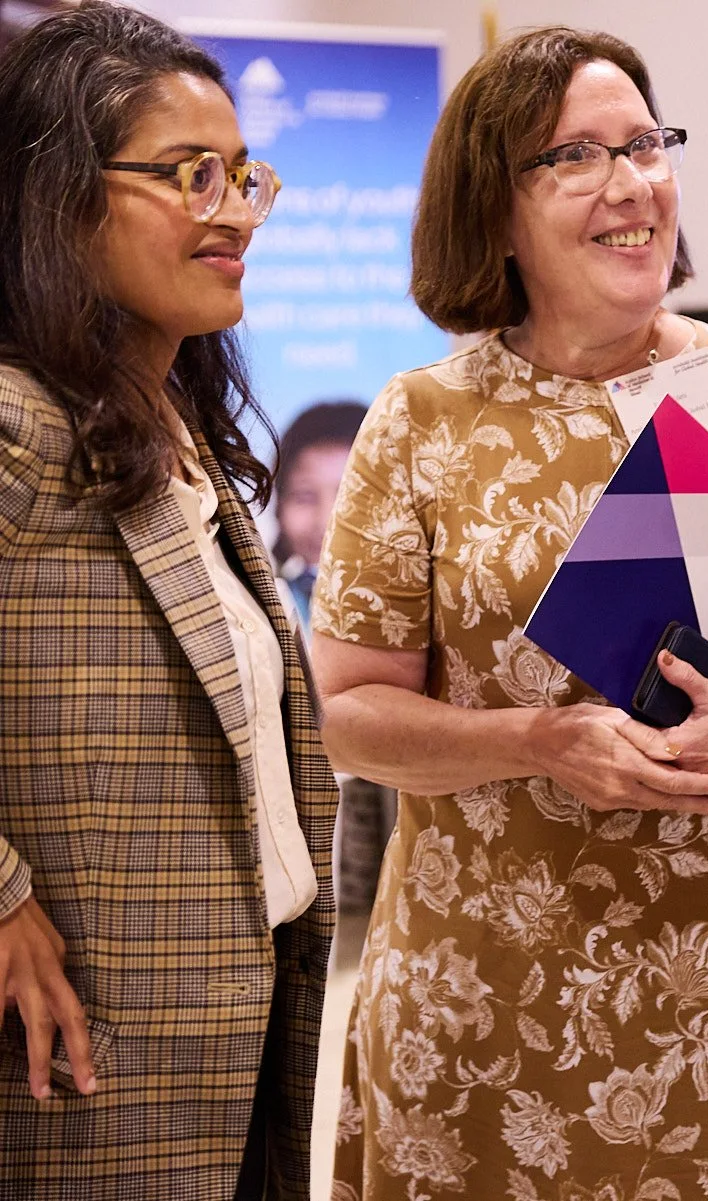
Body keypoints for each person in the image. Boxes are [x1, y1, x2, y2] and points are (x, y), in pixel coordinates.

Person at [313, 27, 708, 1201]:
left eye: (646, 142)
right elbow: (347, 714)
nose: (632, 182)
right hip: (486, 1011)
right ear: (497, 211)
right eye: (576, 156)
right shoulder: (421, 423)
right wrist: (535, 742)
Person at [0, 4, 337, 1197]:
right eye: (191, 175)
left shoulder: (173, 420)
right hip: (90, 1068)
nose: (236, 209)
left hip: (233, 1034)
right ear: (60, 194)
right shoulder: (16, 424)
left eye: (244, 175)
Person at [270, 399, 366, 636]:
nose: (325, 522)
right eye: (304, 497)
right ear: (278, 506)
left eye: (349, 497)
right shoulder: (267, 603)